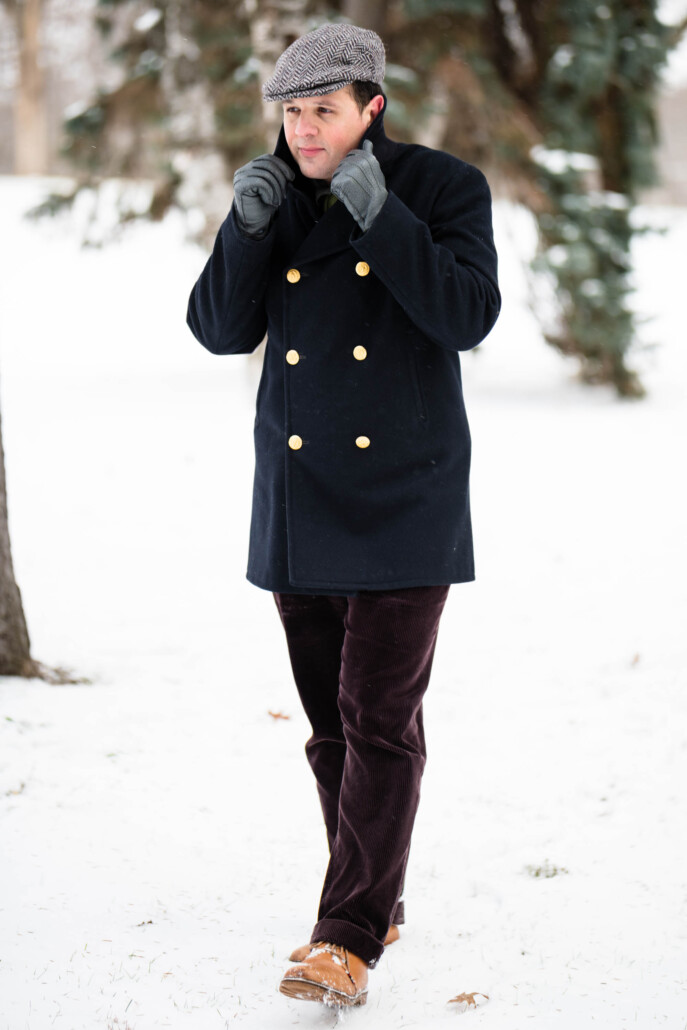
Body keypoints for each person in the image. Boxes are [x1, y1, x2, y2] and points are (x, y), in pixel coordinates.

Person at [186, 22, 500, 1008]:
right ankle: (373, 891)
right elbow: (216, 329)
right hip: (299, 497)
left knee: (378, 718)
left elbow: (467, 316)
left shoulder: (443, 187)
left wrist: (382, 217)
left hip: (406, 492)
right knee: (331, 725)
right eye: (290, 111)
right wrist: (244, 229)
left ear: (373, 106)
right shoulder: (275, 196)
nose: (303, 129)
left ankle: (347, 935)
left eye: (322, 110)